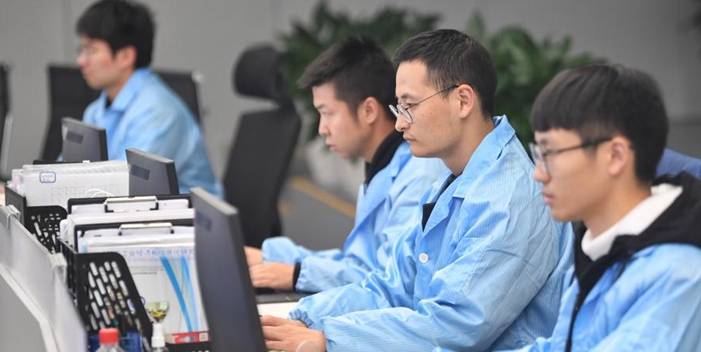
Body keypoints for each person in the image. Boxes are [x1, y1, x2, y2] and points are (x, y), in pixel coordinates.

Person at [356, 65, 701, 352]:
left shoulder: (680, 278)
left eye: (551, 154)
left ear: (615, 155)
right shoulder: (609, 253)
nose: (538, 172)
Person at [261, 30, 572, 352]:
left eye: (409, 106)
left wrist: (328, 336)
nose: (399, 125)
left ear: (463, 100)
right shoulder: (454, 176)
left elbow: (454, 325)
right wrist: (299, 318)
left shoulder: (506, 198)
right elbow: (393, 285)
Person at [244, 36, 445, 293]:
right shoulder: (384, 164)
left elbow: (390, 280)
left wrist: (296, 274)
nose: (322, 128)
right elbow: (357, 262)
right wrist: (270, 257)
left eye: (327, 113)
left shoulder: (419, 175)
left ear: (369, 111)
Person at [75, 0, 223, 197]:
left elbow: (126, 189)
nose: (81, 61)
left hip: (187, 221)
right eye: (82, 50)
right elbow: (68, 172)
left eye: (91, 50)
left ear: (126, 56)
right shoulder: (95, 111)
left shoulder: (158, 113)